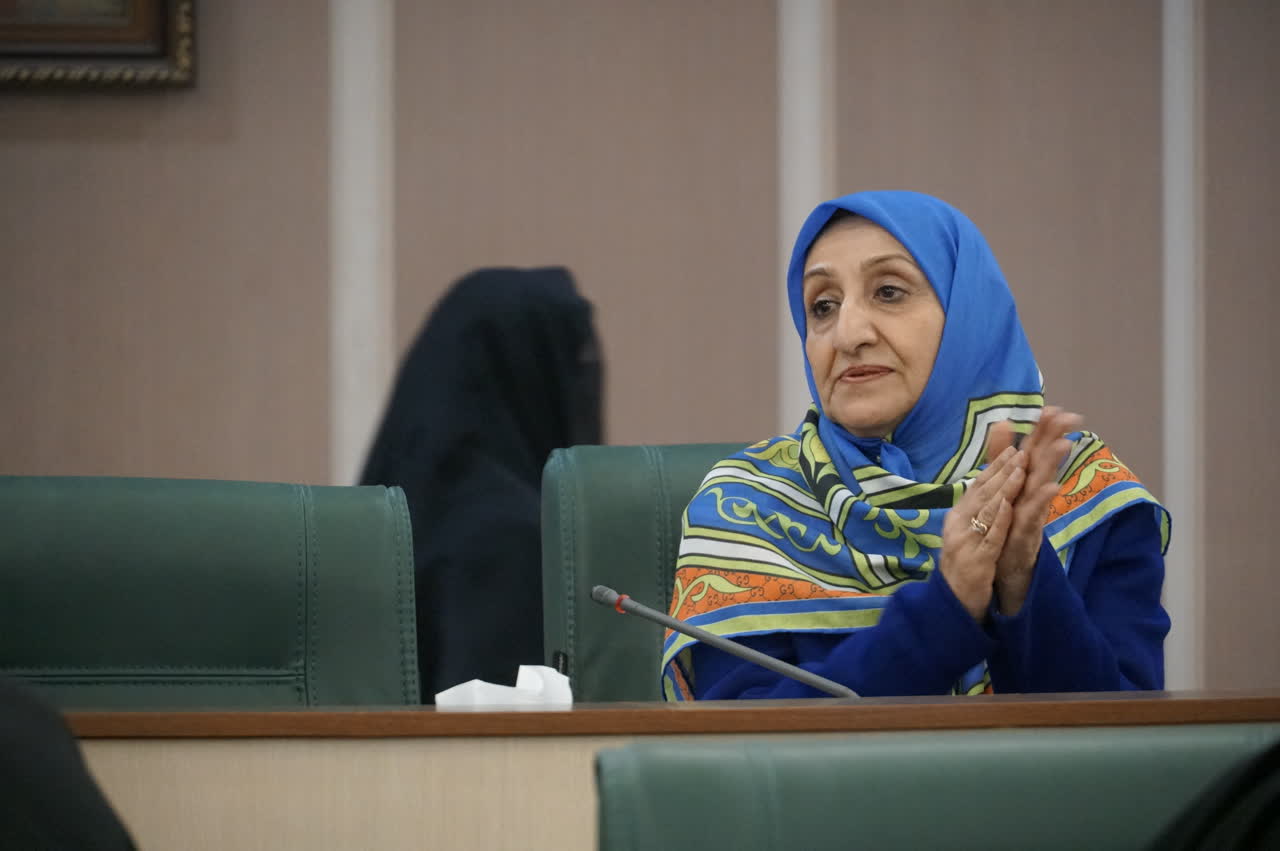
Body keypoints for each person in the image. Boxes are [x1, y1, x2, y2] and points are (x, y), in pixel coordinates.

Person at [661, 191, 1169, 700]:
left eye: (888, 292)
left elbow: (1128, 736)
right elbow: (740, 736)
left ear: (970, 315)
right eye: (823, 307)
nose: (848, 334)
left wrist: (1025, 581)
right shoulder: (748, 508)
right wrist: (944, 612)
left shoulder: (1081, 491)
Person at [360, 267, 602, 700]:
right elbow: (493, 731)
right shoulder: (510, 540)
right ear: (532, 369)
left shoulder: (384, 506)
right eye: (576, 358)